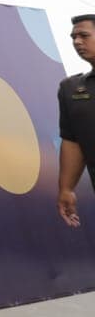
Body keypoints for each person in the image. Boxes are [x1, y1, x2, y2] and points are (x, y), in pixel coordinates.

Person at [58, 14, 95, 227]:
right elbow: (73, 142)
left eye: (84, 35)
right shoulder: (70, 89)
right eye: (73, 37)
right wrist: (66, 189)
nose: (77, 42)